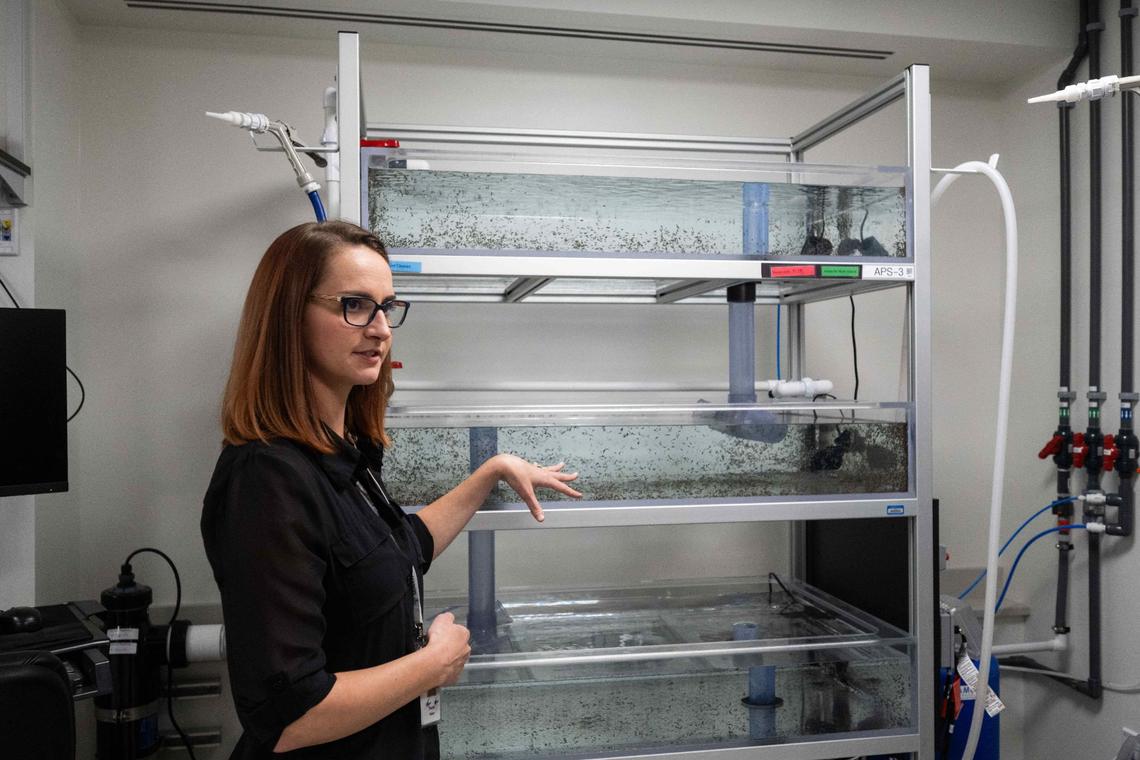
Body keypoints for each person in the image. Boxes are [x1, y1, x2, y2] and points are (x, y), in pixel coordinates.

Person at [201, 220, 581, 759]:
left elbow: (400, 551)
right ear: (289, 317)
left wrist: (491, 471)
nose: (380, 328)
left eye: (388, 306)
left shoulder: (344, 451)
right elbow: (287, 717)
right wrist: (433, 664)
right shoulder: (267, 479)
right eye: (355, 305)